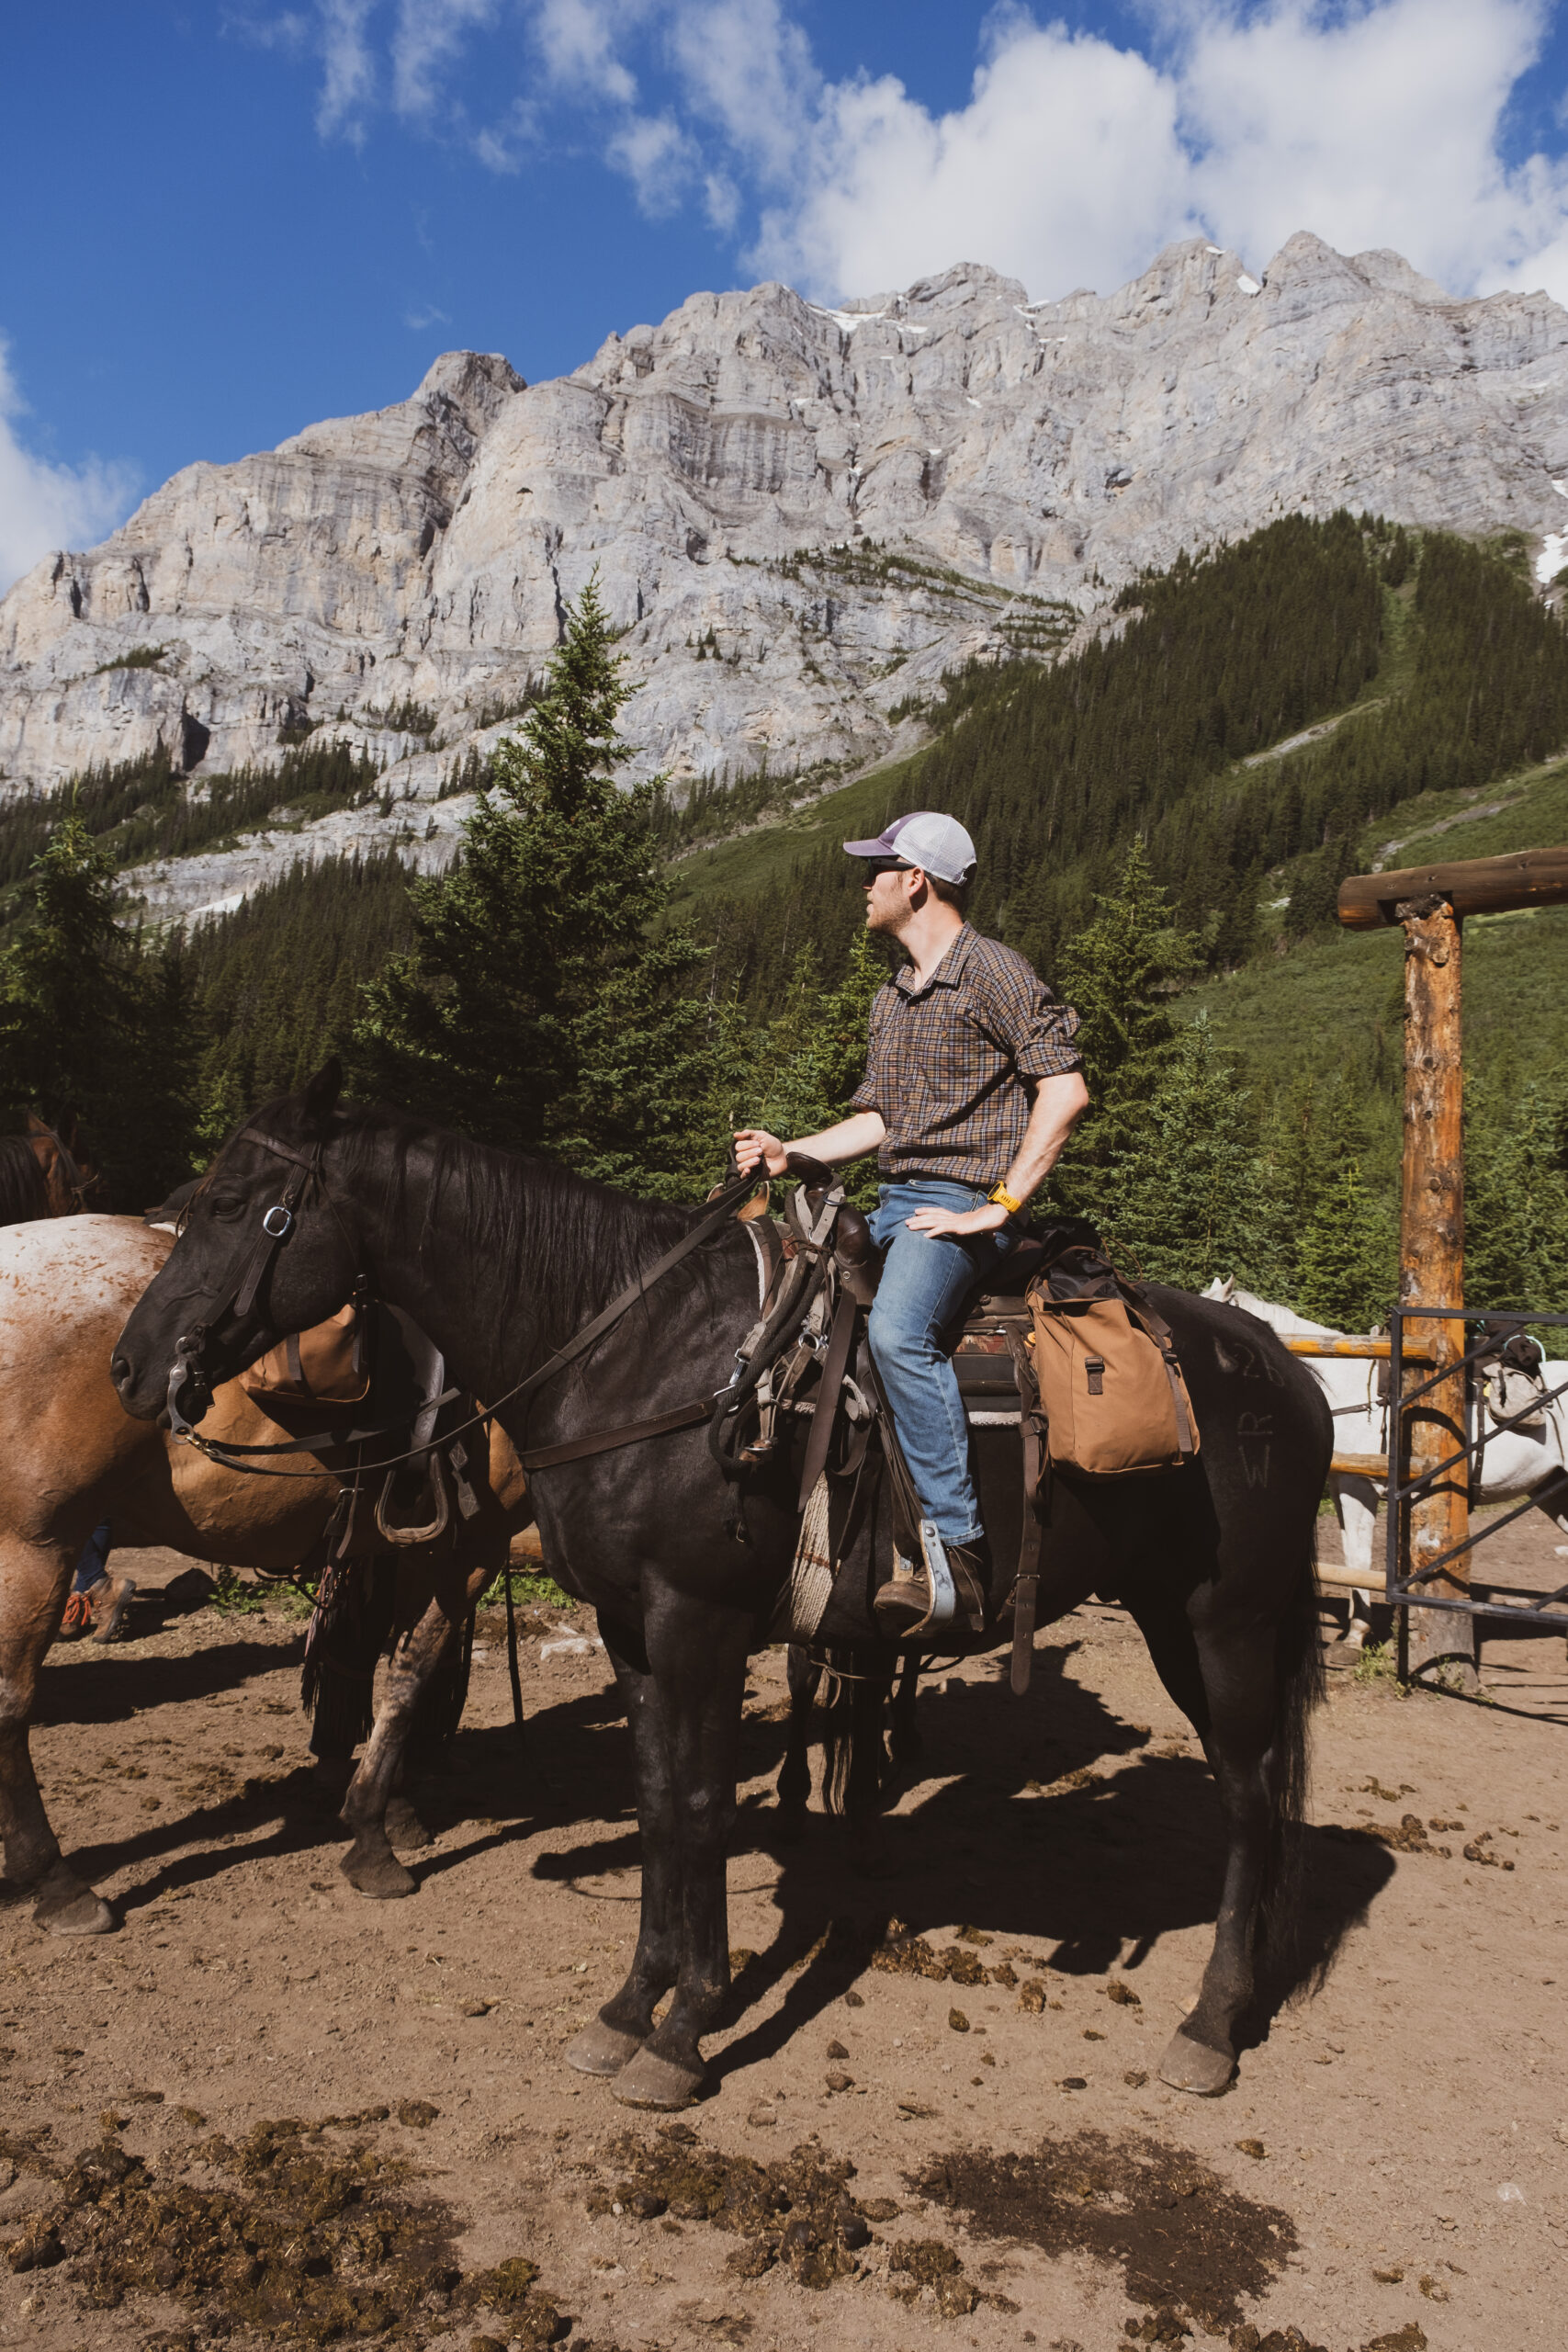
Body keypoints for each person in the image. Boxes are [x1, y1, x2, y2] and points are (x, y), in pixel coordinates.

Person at [734, 810, 1088, 1632]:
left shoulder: (993, 972)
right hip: (894, 1199)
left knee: (897, 1335)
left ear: (916, 880)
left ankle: (958, 1558)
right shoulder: (891, 996)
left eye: (875, 870)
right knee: (790, 1317)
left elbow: (1063, 1093)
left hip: (963, 1204)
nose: (863, 886)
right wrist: (795, 1151)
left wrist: (997, 1208)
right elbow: (882, 1123)